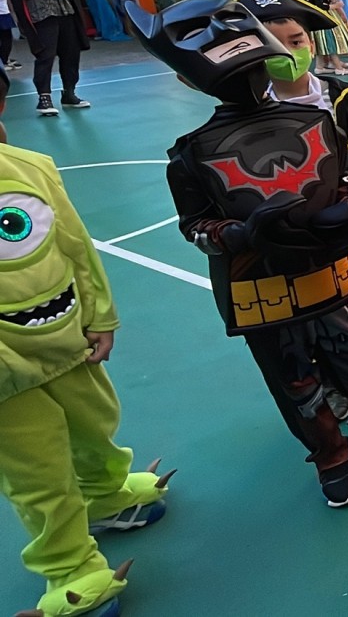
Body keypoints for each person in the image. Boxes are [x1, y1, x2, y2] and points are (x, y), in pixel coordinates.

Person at [122, 0, 348, 508]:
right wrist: (240, 235)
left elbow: (347, 175)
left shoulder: (318, 121)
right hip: (261, 287)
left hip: (333, 270)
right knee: (294, 377)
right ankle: (332, 457)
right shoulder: (191, 155)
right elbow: (196, 226)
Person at [0, 143, 174, 617]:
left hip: (63, 337)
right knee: (37, 474)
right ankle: (69, 568)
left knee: (95, 422)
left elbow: (75, 244)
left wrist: (99, 313)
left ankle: (104, 495)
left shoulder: (31, 167)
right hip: (5, 382)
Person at [251, 0, 348, 345]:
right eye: (273, 44)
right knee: (302, 301)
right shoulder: (252, 110)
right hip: (289, 228)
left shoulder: (343, 99)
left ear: (312, 45)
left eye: (295, 41)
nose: (287, 52)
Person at [0, 0, 18, 71]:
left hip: (3, 9)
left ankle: (4, 59)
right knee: (6, 37)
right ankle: (4, 60)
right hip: (2, 10)